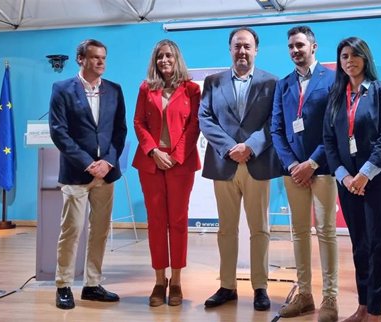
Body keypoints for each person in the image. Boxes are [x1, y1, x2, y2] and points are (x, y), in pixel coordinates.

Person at [198, 26, 280, 311]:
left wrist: (250, 146)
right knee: (226, 229)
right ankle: (227, 286)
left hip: (257, 162)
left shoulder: (272, 82)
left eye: (247, 46)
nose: (242, 51)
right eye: (237, 46)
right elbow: (205, 119)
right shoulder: (212, 82)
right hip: (224, 164)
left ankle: (260, 287)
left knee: (260, 229)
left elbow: (274, 121)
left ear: (256, 49)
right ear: (230, 49)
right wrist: (231, 147)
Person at [322, 37, 381, 322]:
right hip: (348, 183)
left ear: (365, 58)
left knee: (378, 244)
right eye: (343, 56)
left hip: (376, 182)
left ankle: (376, 313)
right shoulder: (336, 96)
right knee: (359, 246)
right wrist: (344, 176)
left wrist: (364, 175)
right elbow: (329, 141)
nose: (349, 60)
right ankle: (363, 306)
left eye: (355, 55)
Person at [49, 39, 127, 310]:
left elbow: (120, 132)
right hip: (75, 173)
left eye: (103, 57)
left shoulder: (114, 90)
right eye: (94, 57)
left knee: (100, 230)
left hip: (106, 174)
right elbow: (59, 132)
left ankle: (92, 284)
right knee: (71, 230)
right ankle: (63, 285)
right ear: (80, 59)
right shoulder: (62, 89)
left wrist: (108, 162)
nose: (101, 62)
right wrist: (87, 162)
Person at [270, 25, 338, 322]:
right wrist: (291, 165)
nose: (295, 50)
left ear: (314, 47)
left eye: (300, 45)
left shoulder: (333, 80)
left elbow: (334, 127)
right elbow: (276, 128)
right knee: (298, 234)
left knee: (325, 233)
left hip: (322, 169)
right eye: (291, 47)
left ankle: (330, 298)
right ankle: (305, 295)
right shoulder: (283, 85)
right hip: (292, 172)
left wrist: (311, 163)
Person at [132, 39, 201, 307]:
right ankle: (159, 281)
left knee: (178, 222)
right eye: (160, 56)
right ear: (155, 61)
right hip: (151, 163)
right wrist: (153, 151)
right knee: (157, 222)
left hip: (180, 164)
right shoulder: (145, 88)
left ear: (177, 58)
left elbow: (195, 125)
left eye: (169, 55)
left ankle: (177, 281)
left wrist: (175, 156)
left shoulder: (192, 89)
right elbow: (138, 122)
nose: (164, 60)